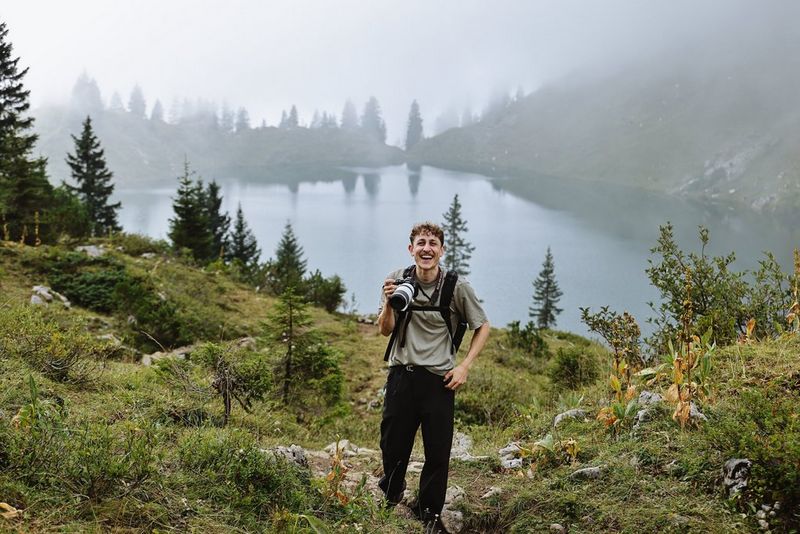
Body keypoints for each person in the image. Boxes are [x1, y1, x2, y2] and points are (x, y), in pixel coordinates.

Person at [377, 221, 490, 527]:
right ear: (411, 249)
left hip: (439, 380)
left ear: (442, 250)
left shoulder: (457, 288)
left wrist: (464, 366)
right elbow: (385, 329)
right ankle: (393, 490)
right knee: (392, 444)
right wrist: (389, 303)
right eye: (421, 243)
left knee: (437, 453)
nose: (426, 249)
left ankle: (430, 514)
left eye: (433, 244)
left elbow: (483, 326)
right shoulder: (396, 280)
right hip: (402, 374)